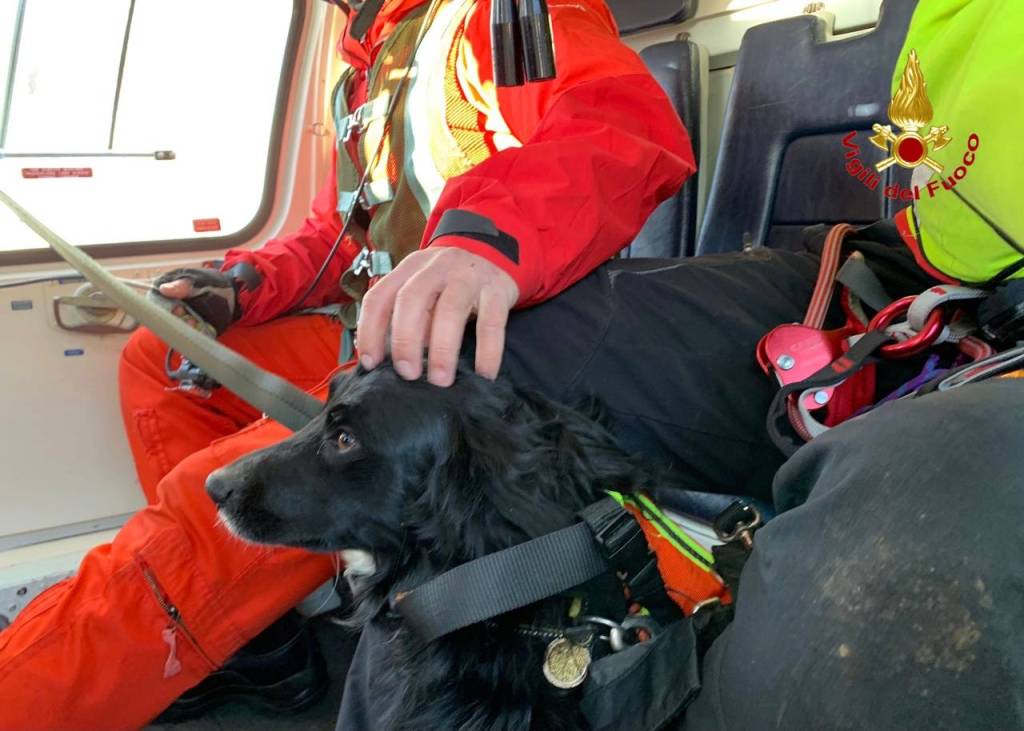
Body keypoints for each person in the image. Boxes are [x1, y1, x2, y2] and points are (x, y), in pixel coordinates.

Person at [2, 0, 1022, 729]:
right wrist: (242, 287)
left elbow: (621, 127)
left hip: (446, 329)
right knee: (157, 365)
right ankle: (265, 654)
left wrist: (484, 239)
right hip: (372, 323)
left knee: (201, 510)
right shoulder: (362, 51)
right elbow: (337, 229)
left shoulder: (502, 16)